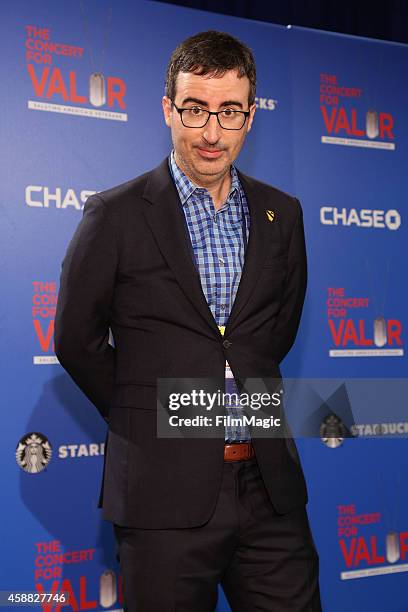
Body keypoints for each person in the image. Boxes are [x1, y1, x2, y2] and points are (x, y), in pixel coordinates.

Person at [55, 30, 321, 612]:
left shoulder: (284, 214)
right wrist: (146, 411)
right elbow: (76, 341)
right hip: (160, 497)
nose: (210, 132)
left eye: (229, 112)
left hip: (269, 491)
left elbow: (276, 332)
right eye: (196, 109)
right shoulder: (116, 214)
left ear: (250, 115)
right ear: (168, 109)